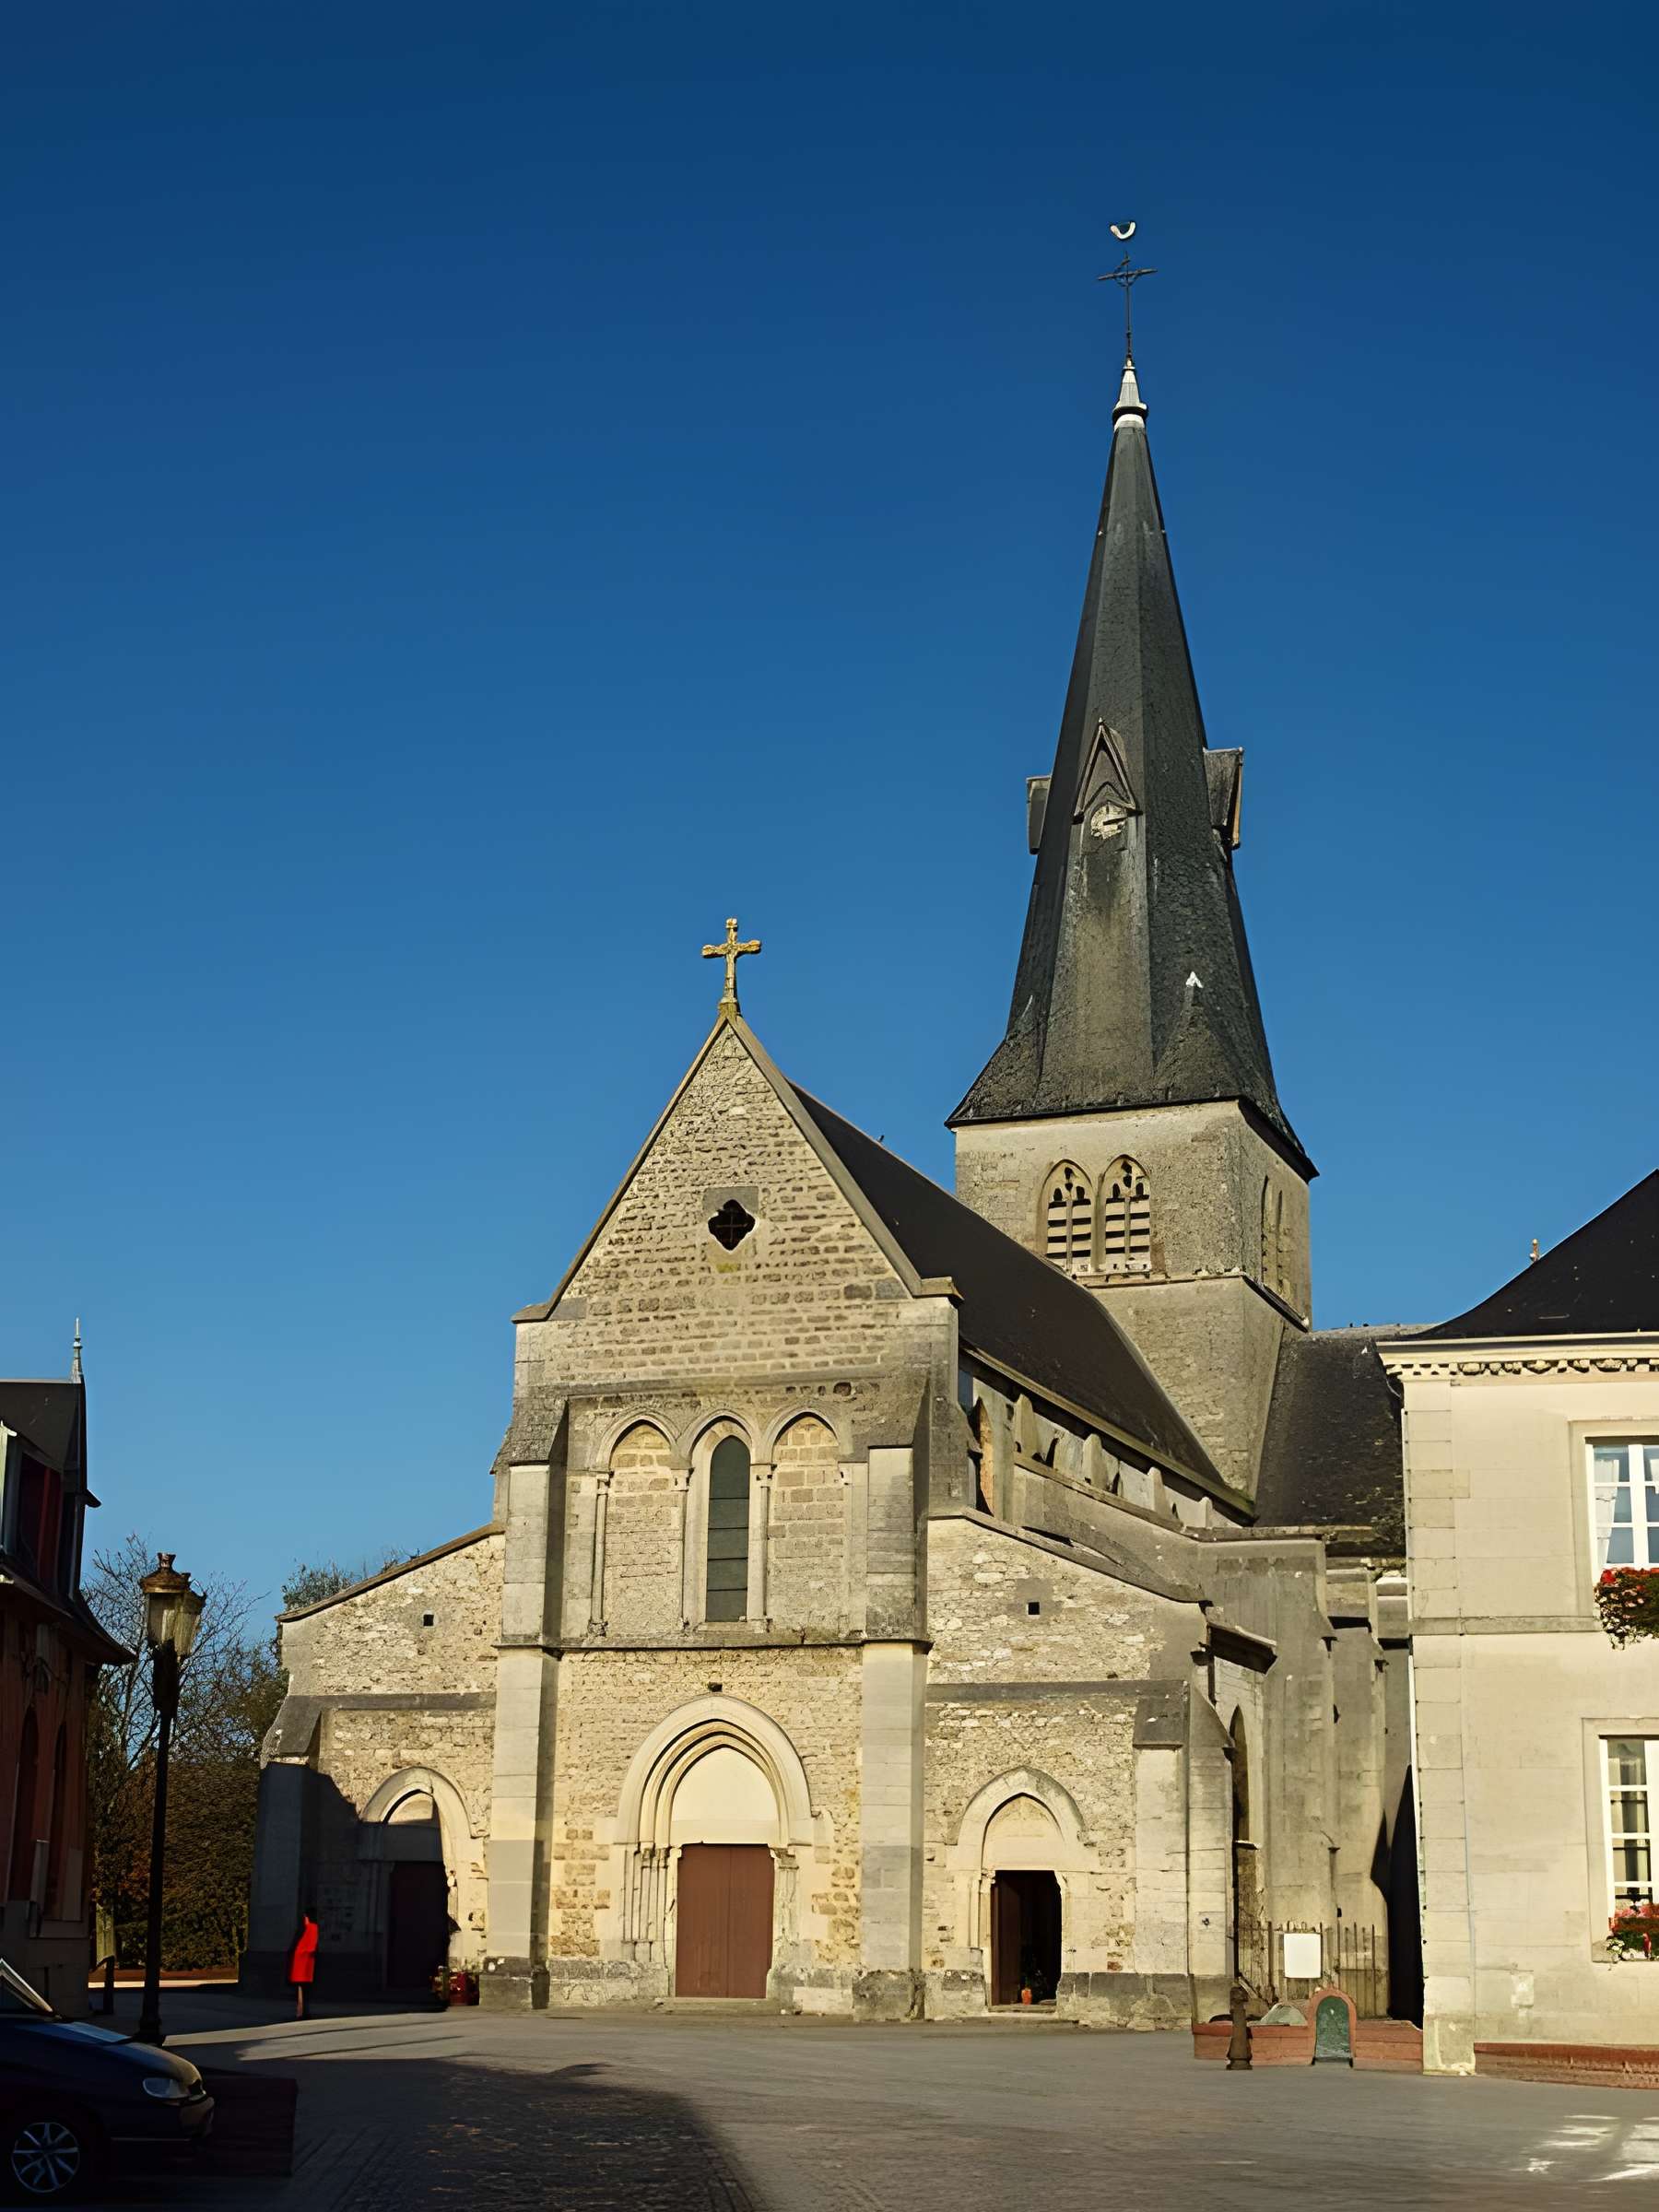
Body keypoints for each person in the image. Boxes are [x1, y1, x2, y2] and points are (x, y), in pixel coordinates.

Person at [288, 1908, 320, 2019]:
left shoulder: (303, 1928)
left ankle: (300, 2012)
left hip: (299, 1961)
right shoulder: (315, 1928)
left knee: (299, 1988)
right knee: (306, 1988)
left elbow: (294, 1944)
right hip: (309, 1961)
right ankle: (304, 2011)